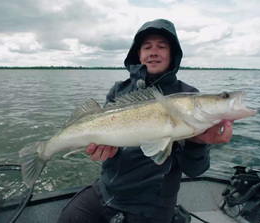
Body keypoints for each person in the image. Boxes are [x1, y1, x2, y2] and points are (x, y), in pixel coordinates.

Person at [57, 19, 233, 223]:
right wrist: (104, 151)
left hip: (152, 206)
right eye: (147, 47)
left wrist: (198, 143)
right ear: (138, 54)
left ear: (172, 54)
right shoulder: (119, 90)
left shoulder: (188, 96)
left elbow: (195, 171)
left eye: (161, 46)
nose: (153, 52)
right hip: (106, 191)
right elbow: (105, 142)